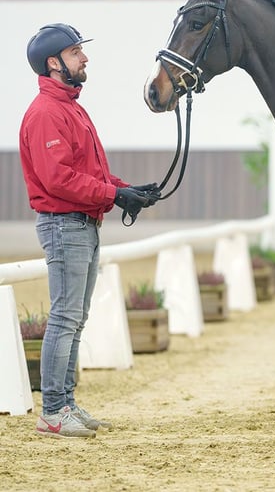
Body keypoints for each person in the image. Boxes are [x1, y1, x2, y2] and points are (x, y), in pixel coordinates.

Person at [19, 23, 160, 438]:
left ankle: (65, 403)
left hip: (81, 222)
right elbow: (59, 179)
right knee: (65, 317)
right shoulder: (47, 113)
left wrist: (124, 189)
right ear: (54, 62)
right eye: (77, 51)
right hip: (66, 225)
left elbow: (87, 171)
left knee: (75, 318)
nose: (84, 58)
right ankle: (52, 410)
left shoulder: (70, 108)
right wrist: (113, 196)